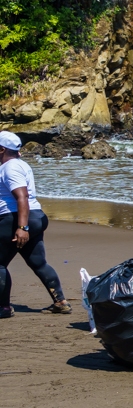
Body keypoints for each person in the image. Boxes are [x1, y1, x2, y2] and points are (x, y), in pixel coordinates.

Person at [0, 131, 71, 317]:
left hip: (17, 218)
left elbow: (21, 197)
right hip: (36, 216)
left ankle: (4, 308)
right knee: (38, 262)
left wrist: (22, 228)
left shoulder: (10, 168)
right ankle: (60, 302)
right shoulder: (21, 165)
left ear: (1, 150)